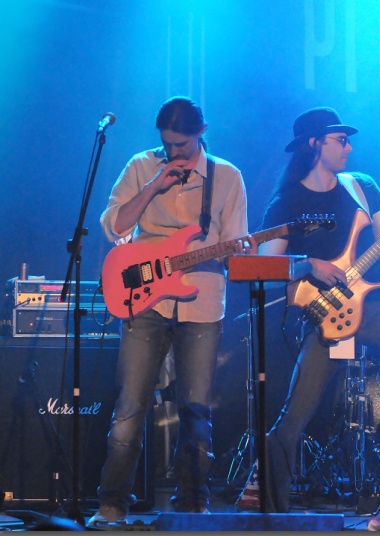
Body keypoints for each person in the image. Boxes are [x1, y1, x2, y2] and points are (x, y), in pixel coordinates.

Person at [240, 107, 380, 522]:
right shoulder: (287, 203)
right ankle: (272, 514)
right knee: (293, 419)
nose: (349, 147)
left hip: (378, 306)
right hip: (329, 316)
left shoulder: (361, 186)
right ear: (314, 144)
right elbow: (263, 267)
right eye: (340, 140)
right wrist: (308, 264)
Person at [90, 96, 254, 524]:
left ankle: (193, 506)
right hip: (143, 297)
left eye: (181, 144)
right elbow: (115, 226)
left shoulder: (227, 176)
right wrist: (153, 187)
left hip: (201, 300)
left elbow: (235, 246)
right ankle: (112, 505)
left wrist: (237, 252)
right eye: (167, 144)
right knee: (130, 406)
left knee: (196, 411)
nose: (173, 152)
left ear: (201, 134)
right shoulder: (142, 165)